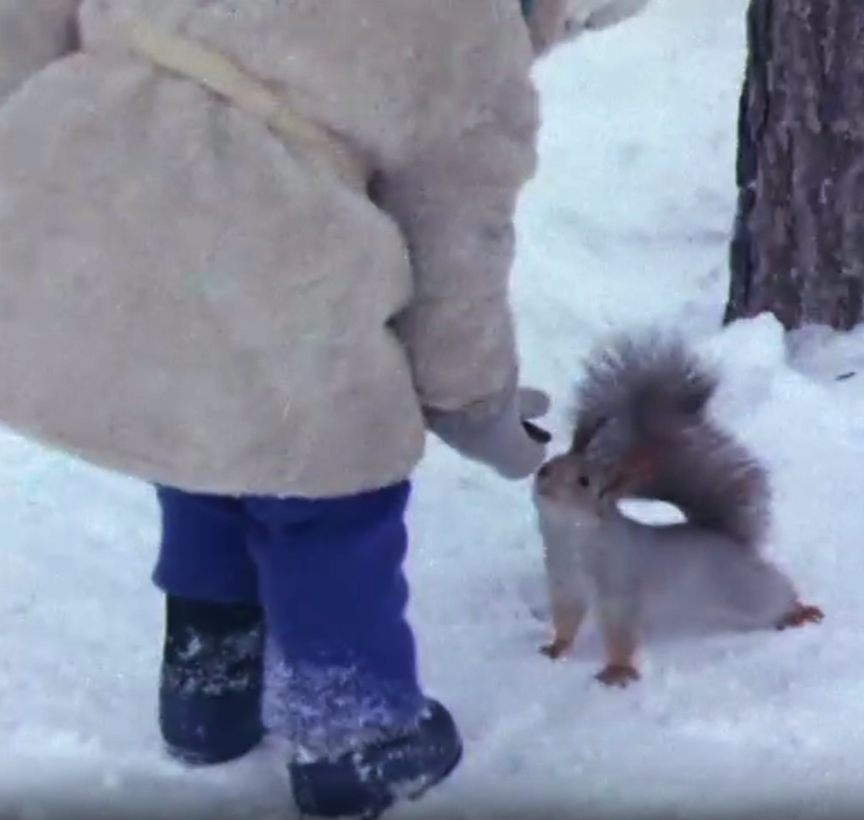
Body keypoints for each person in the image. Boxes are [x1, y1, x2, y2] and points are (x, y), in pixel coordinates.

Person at [0, 0, 649, 816]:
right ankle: (360, 735)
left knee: (204, 427)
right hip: (259, 237)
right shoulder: (468, 31)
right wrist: (477, 404)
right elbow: (458, 253)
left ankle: (209, 685)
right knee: (326, 480)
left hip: (73, 202)